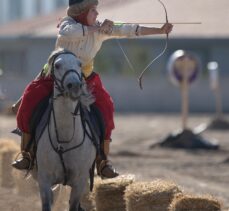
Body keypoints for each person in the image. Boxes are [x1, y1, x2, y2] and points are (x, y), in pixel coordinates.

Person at [12, 0, 173, 179]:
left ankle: (102, 161)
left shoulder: (99, 28)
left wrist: (160, 30)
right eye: (93, 10)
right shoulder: (68, 23)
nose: (97, 14)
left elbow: (129, 29)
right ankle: (27, 154)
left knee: (106, 107)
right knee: (28, 102)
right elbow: (69, 32)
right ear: (81, 12)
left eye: (97, 11)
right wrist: (98, 29)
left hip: (85, 80)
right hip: (54, 78)